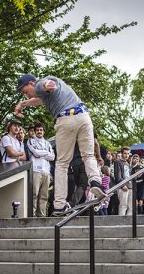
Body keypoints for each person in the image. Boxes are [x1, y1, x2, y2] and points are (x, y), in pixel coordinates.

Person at [14, 74, 104, 216]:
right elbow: (38, 99)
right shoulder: (53, 90)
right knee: (88, 155)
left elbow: (46, 85)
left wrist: (48, 85)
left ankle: (59, 205)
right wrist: (23, 104)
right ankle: (95, 182)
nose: (26, 96)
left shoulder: (39, 85)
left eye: (25, 92)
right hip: (84, 117)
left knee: (62, 163)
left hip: (66, 119)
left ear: (31, 83)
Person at [27, 122, 55, 217]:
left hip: (46, 172)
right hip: (35, 170)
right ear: (35, 131)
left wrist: (41, 153)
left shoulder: (47, 143)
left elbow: (52, 157)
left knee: (44, 196)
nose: (39, 132)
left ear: (44, 132)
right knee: (34, 194)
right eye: (37, 130)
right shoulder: (31, 141)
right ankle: (32, 215)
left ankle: (42, 216)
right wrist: (46, 153)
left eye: (41, 130)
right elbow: (35, 153)